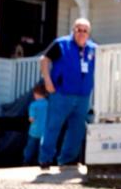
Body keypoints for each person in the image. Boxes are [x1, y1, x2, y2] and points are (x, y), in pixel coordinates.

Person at [38, 18, 97, 169]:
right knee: (53, 126)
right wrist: (47, 81)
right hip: (61, 94)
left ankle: (67, 159)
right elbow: (44, 60)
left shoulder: (93, 48)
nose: (81, 33)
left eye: (85, 30)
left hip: (83, 95)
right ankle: (45, 159)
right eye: (78, 29)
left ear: (88, 33)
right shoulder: (61, 43)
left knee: (77, 129)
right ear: (73, 30)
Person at [23, 84, 48, 165]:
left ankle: (26, 162)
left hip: (34, 130)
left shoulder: (33, 105)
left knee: (30, 148)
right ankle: (42, 162)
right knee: (42, 148)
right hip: (45, 131)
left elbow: (31, 119)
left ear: (36, 94)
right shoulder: (49, 104)